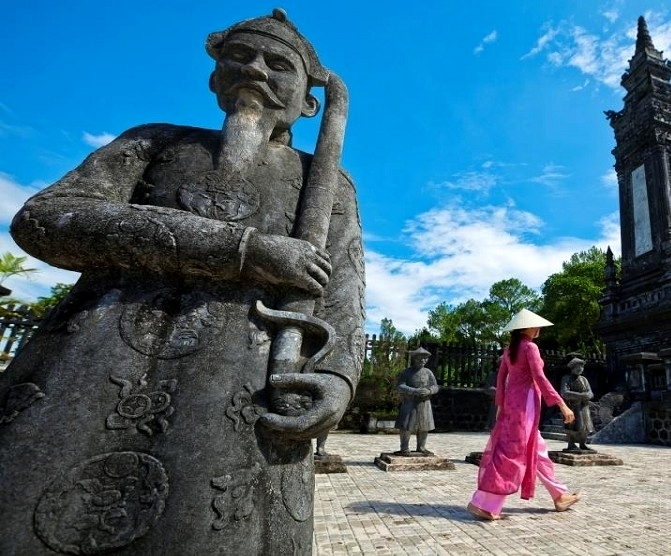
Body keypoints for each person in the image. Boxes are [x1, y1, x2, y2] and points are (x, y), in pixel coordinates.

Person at [0, 9, 364, 555]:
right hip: (91, 367)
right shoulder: (156, 143)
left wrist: (336, 379)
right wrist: (244, 251)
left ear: (308, 102)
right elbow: (46, 219)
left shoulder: (329, 184)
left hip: (246, 394)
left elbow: (342, 293)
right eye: (240, 56)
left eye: (278, 63)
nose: (257, 70)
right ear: (215, 76)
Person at [468, 309, 581, 521]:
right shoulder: (530, 347)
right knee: (512, 453)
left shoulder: (509, 349)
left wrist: (501, 406)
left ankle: (560, 495)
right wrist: (561, 404)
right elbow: (540, 378)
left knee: (537, 451)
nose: (538, 328)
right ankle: (484, 503)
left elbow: (501, 381)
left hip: (512, 405)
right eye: (535, 324)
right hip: (525, 406)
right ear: (524, 327)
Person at [395, 346, 439, 455]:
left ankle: (421, 447)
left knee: (424, 425)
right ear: (414, 359)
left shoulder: (428, 372)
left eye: (424, 359)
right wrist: (414, 391)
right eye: (419, 358)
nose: (422, 361)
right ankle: (404, 448)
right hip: (410, 403)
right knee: (406, 426)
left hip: (424, 403)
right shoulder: (407, 372)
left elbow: (435, 386)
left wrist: (429, 391)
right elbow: (400, 386)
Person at [560, 357, 595, 451]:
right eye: (577, 367)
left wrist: (588, 395)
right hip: (572, 406)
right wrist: (582, 395)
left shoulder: (584, 379)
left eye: (581, 367)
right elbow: (564, 393)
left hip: (584, 406)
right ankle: (571, 444)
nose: (580, 369)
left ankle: (583, 444)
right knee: (572, 426)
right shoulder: (566, 378)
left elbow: (590, 393)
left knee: (586, 426)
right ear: (572, 368)